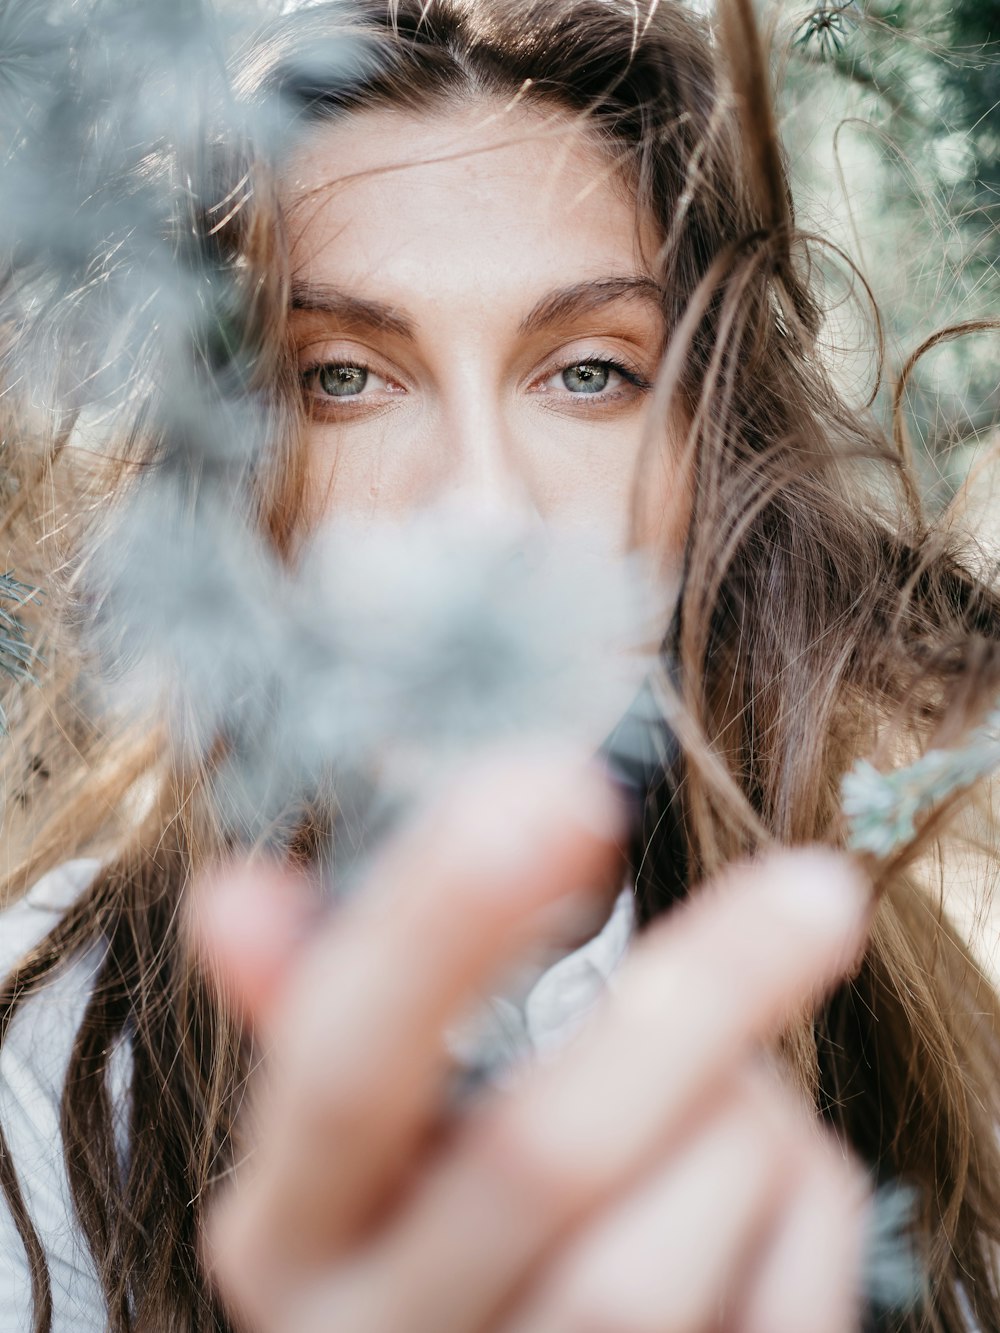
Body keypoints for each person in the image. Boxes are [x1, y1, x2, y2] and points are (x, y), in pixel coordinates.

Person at [0, 0, 999, 1329]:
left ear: (711, 468)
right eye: (343, 376)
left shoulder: (932, 1049)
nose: (480, 509)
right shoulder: (42, 1075)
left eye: (589, 372)